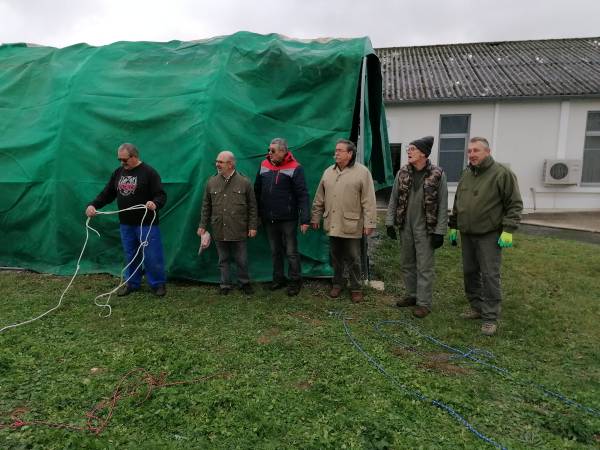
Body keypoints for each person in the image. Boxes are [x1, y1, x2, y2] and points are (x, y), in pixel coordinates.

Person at [448, 137, 523, 336]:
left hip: (489, 234)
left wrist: (508, 230)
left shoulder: (502, 174)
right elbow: (458, 202)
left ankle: (490, 316)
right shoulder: (467, 174)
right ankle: (476, 307)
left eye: (476, 151)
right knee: (470, 272)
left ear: (487, 152)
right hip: (467, 233)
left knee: (490, 275)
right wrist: (454, 226)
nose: (472, 154)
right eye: (469, 151)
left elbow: (514, 204)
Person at [86, 143, 167, 297]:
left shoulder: (149, 172)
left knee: (152, 254)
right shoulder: (118, 173)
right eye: (119, 160)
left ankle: (158, 284)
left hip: (146, 224)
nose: (121, 163)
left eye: (124, 160)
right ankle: (132, 283)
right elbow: (107, 193)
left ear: (134, 156)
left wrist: (154, 203)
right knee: (130, 254)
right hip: (126, 224)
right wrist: (93, 205)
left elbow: (161, 195)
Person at [385, 136, 448, 318]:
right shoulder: (402, 172)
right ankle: (412, 295)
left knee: (425, 266)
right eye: (408, 149)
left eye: (412, 149)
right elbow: (393, 199)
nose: (409, 152)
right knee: (407, 263)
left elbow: (443, 204)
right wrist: (390, 222)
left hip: (426, 228)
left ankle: (424, 302)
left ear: (423, 153)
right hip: (405, 226)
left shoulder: (438, 174)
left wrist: (440, 232)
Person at [311, 139, 377, 303]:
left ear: (350, 153)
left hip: (351, 224)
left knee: (354, 257)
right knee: (335, 256)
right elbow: (319, 197)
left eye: (340, 150)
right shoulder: (328, 172)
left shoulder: (362, 172)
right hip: (333, 223)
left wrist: (370, 223)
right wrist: (315, 216)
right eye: (336, 150)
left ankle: (356, 288)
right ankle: (338, 283)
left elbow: (369, 200)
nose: (336, 153)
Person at [254, 138, 310, 296]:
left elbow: (303, 195)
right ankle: (278, 279)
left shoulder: (295, 167)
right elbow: (256, 190)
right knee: (275, 251)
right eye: (268, 150)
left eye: (272, 150)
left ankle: (295, 281)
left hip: (288, 219)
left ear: (283, 151)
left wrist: (305, 219)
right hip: (268, 218)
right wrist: (257, 215)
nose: (269, 153)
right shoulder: (263, 165)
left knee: (291, 252)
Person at [197, 151, 258, 295]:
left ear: (231, 164)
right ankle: (225, 285)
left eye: (220, 162)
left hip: (239, 228)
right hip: (219, 227)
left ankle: (244, 283)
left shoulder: (245, 182)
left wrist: (253, 226)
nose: (217, 164)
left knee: (241, 259)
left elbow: (253, 206)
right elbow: (206, 206)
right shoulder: (211, 182)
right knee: (223, 259)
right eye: (216, 161)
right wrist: (202, 225)